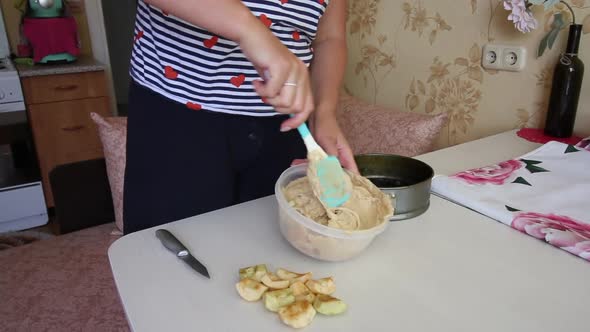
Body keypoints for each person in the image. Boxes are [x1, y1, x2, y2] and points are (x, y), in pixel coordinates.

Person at [123, 0, 357, 234]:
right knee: (169, 251)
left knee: (270, 249)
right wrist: (249, 30)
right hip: (177, 117)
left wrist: (324, 110)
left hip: (284, 126)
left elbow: (329, 38)